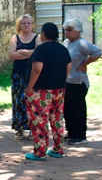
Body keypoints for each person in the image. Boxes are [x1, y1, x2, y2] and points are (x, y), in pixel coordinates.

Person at [24, 22, 71, 161]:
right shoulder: (63, 49)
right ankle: (58, 148)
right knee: (57, 118)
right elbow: (69, 66)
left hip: (41, 90)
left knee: (39, 120)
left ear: (43, 33)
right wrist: (61, 80)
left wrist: (30, 87)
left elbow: (37, 69)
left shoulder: (41, 49)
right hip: (59, 89)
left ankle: (40, 152)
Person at [62, 19, 102, 145]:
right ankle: (71, 133)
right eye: (65, 30)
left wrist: (85, 64)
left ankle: (80, 135)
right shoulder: (66, 42)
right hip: (67, 80)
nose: (67, 32)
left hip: (79, 81)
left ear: (78, 31)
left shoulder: (81, 44)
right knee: (68, 109)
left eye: (70, 30)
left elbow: (97, 52)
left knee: (77, 109)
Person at [9, 14, 39, 140]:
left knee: (32, 101)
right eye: (23, 23)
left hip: (32, 74)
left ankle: (32, 129)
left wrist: (21, 51)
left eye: (28, 23)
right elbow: (12, 55)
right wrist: (29, 54)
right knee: (18, 100)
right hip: (18, 74)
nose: (26, 25)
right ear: (19, 25)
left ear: (32, 24)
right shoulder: (15, 38)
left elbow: (38, 53)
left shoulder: (37, 38)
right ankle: (19, 129)